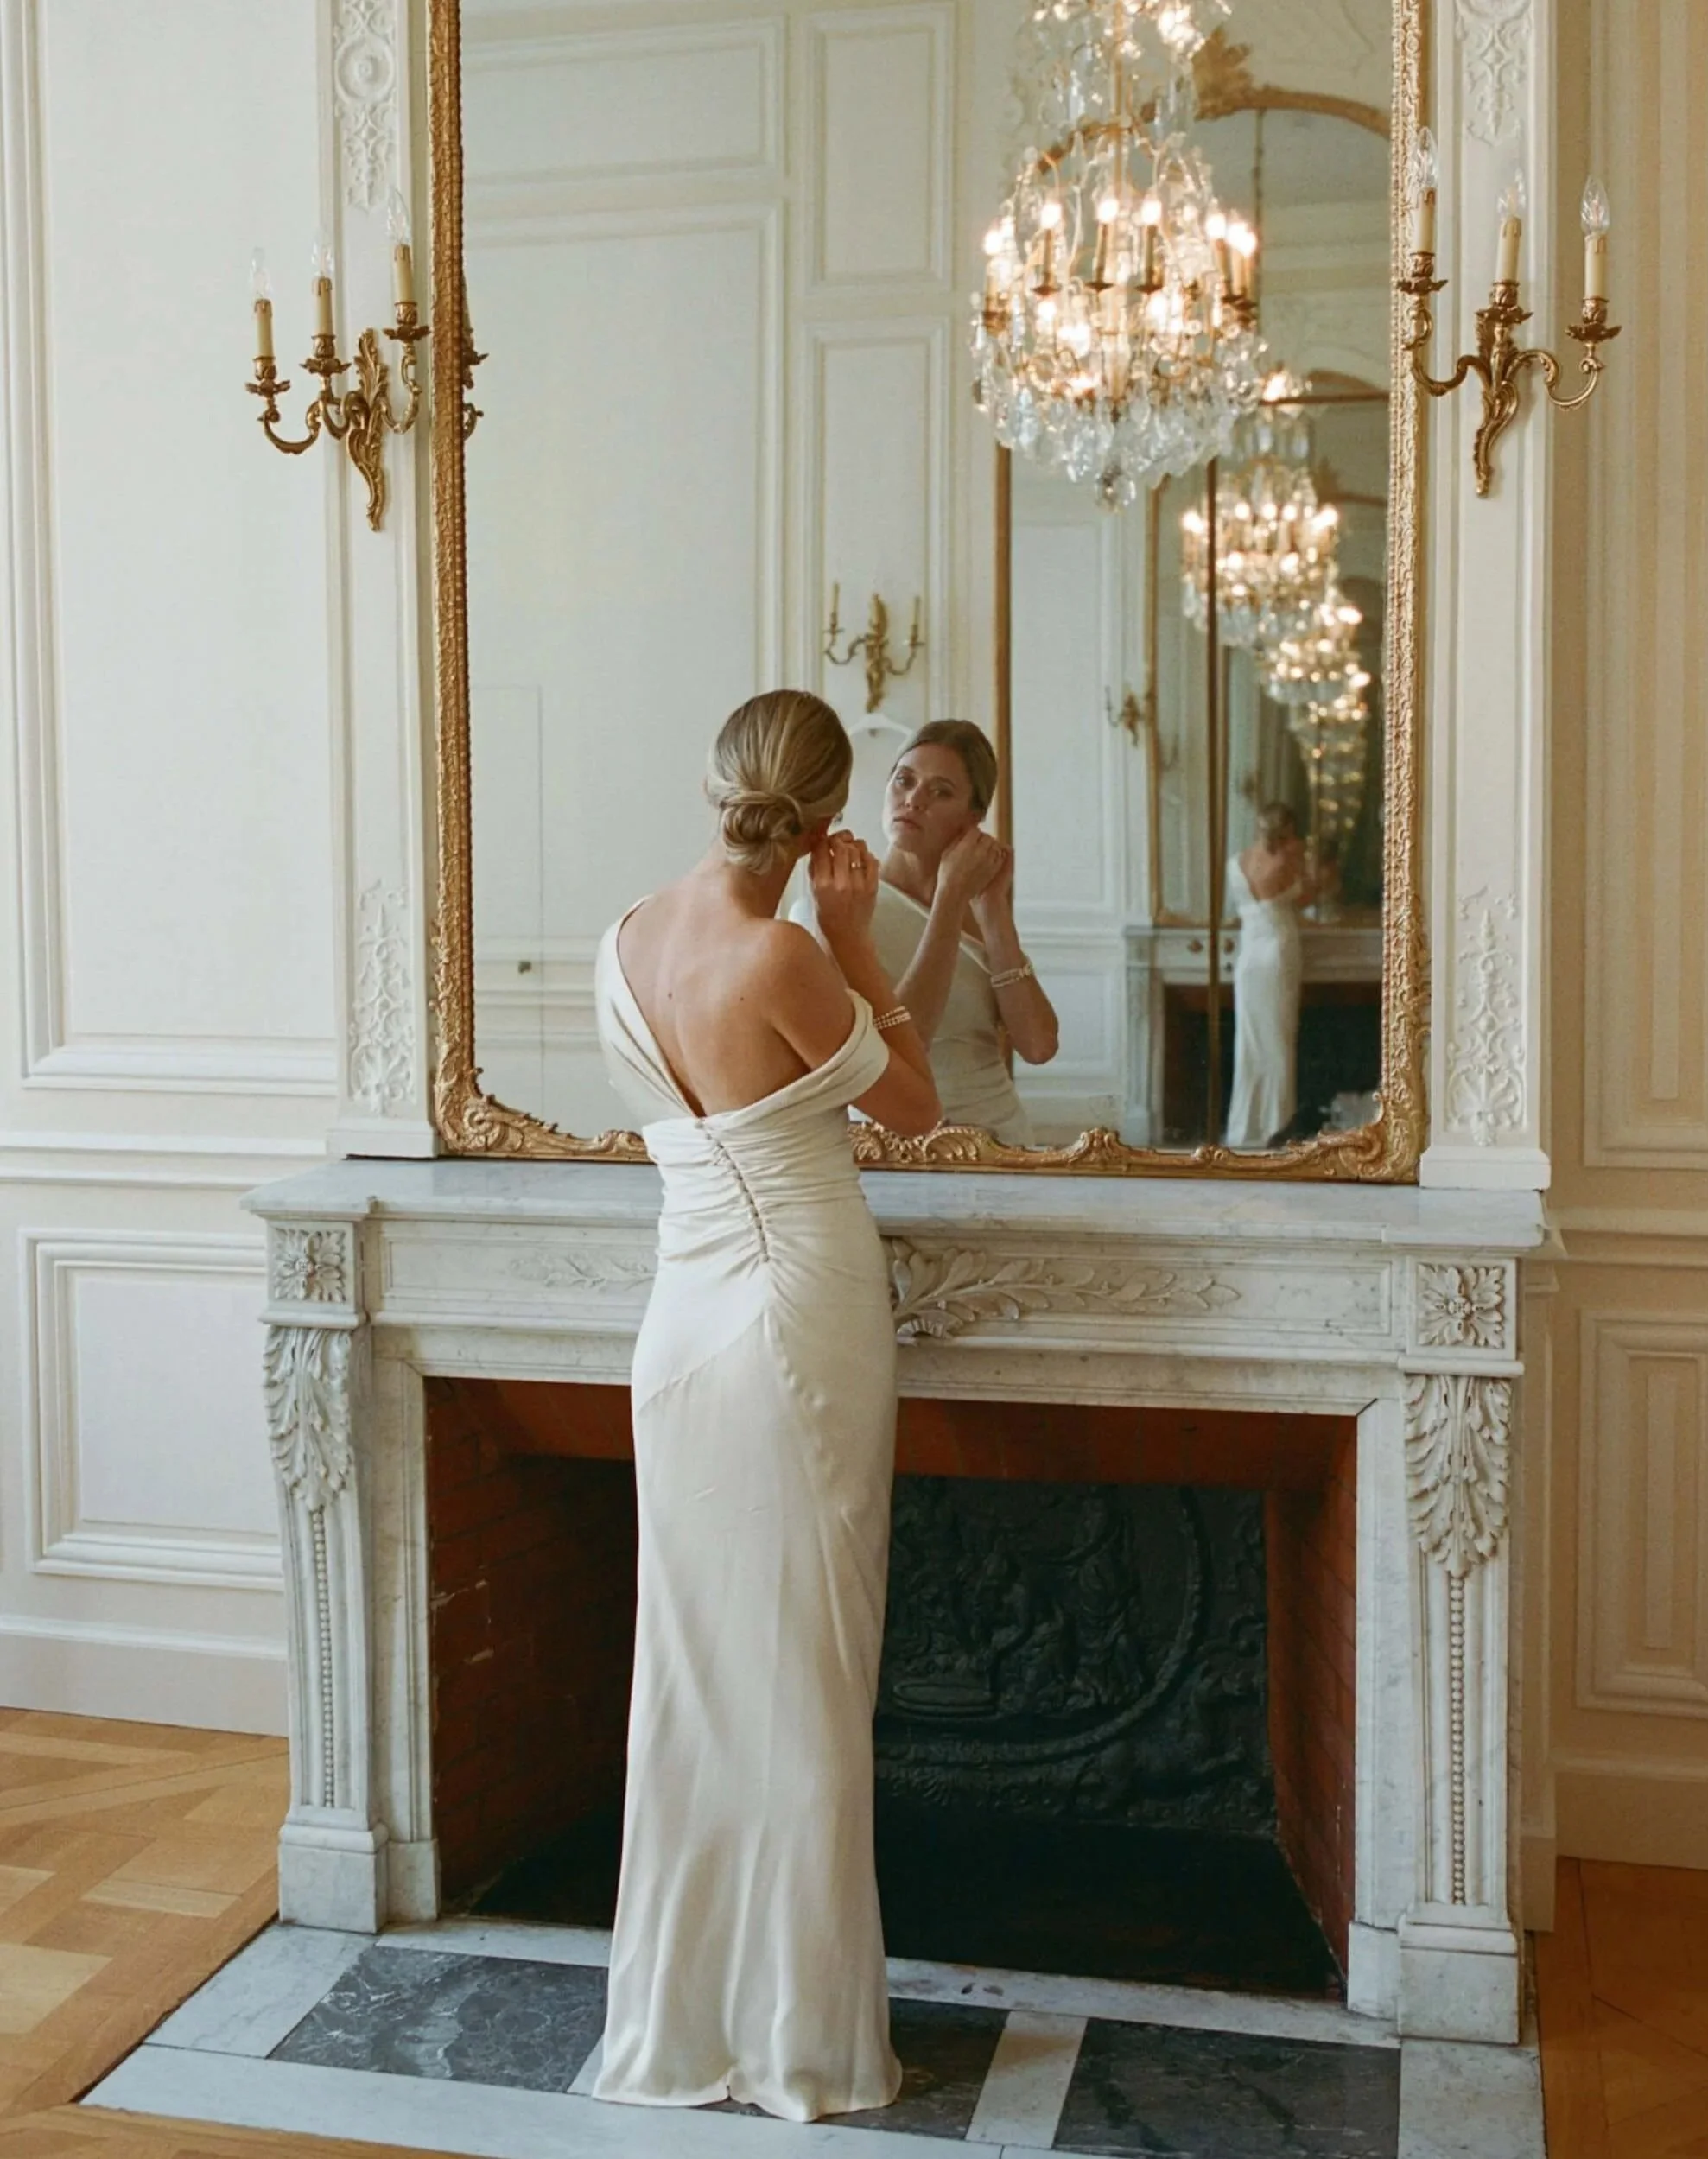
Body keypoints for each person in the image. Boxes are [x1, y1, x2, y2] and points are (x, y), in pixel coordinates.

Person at [589, 689, 939, 2124]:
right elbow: (912, 1105)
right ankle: (797, 2038)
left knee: (695, 1672)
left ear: (713, 782)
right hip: (796, 1306)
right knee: (803, 1668)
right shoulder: (784, 952)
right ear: (826, 814)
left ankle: (681, 2024)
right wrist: (852, 935)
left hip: (680, 1322)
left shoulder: (625, 934)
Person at [799, 719, 1057, 1144]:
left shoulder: (981, 908)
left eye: (941, 792)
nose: (914, 800)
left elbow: (1039, 1045)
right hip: (887, 1147)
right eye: (904, 781)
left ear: (973, 817)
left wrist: (993, 909)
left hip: (999, 1144)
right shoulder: (838, 902)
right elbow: (895, 1054)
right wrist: (948, 902)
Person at [1224, 801, 1308, 1150]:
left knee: (1251, 1042)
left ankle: (1247, 1126)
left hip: (1249, 959)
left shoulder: (1236, 863)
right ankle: (1276, 1124)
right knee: (1278, 1040)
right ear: (1286, 830)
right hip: (1277, 952)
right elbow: (1306, 897)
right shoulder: (1286, 861)